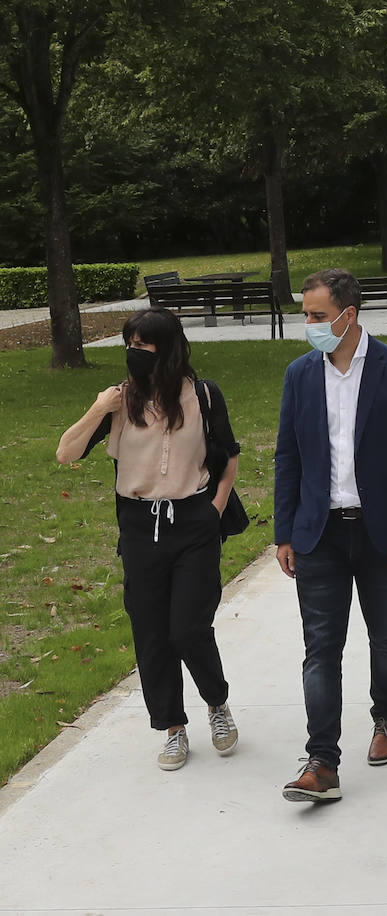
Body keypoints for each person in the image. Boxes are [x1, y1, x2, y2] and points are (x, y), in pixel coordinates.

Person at [56, 308, 240, 771]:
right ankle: (173, 728)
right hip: (140, 529)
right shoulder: (121, 401)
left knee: (189, 628)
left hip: (193, 523)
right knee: (152, 635)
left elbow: (228, 456)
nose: (134, 354)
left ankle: (217, 703)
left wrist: (213, 510)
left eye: (144, 345)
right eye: (129, 344)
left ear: (169, 348)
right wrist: (100, 407)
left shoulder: (203, 395)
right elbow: (65, 453)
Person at [274, 268, 387, 803]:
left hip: (380, 531)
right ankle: (322, 760)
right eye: (306, 316)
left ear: (349, 314)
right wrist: (284, 531)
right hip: (317, 533)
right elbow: (287, 457)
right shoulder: (299, 375)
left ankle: (386, 719)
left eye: (318, 316)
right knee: (321, 647)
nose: (310, 325)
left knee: (385, 635)